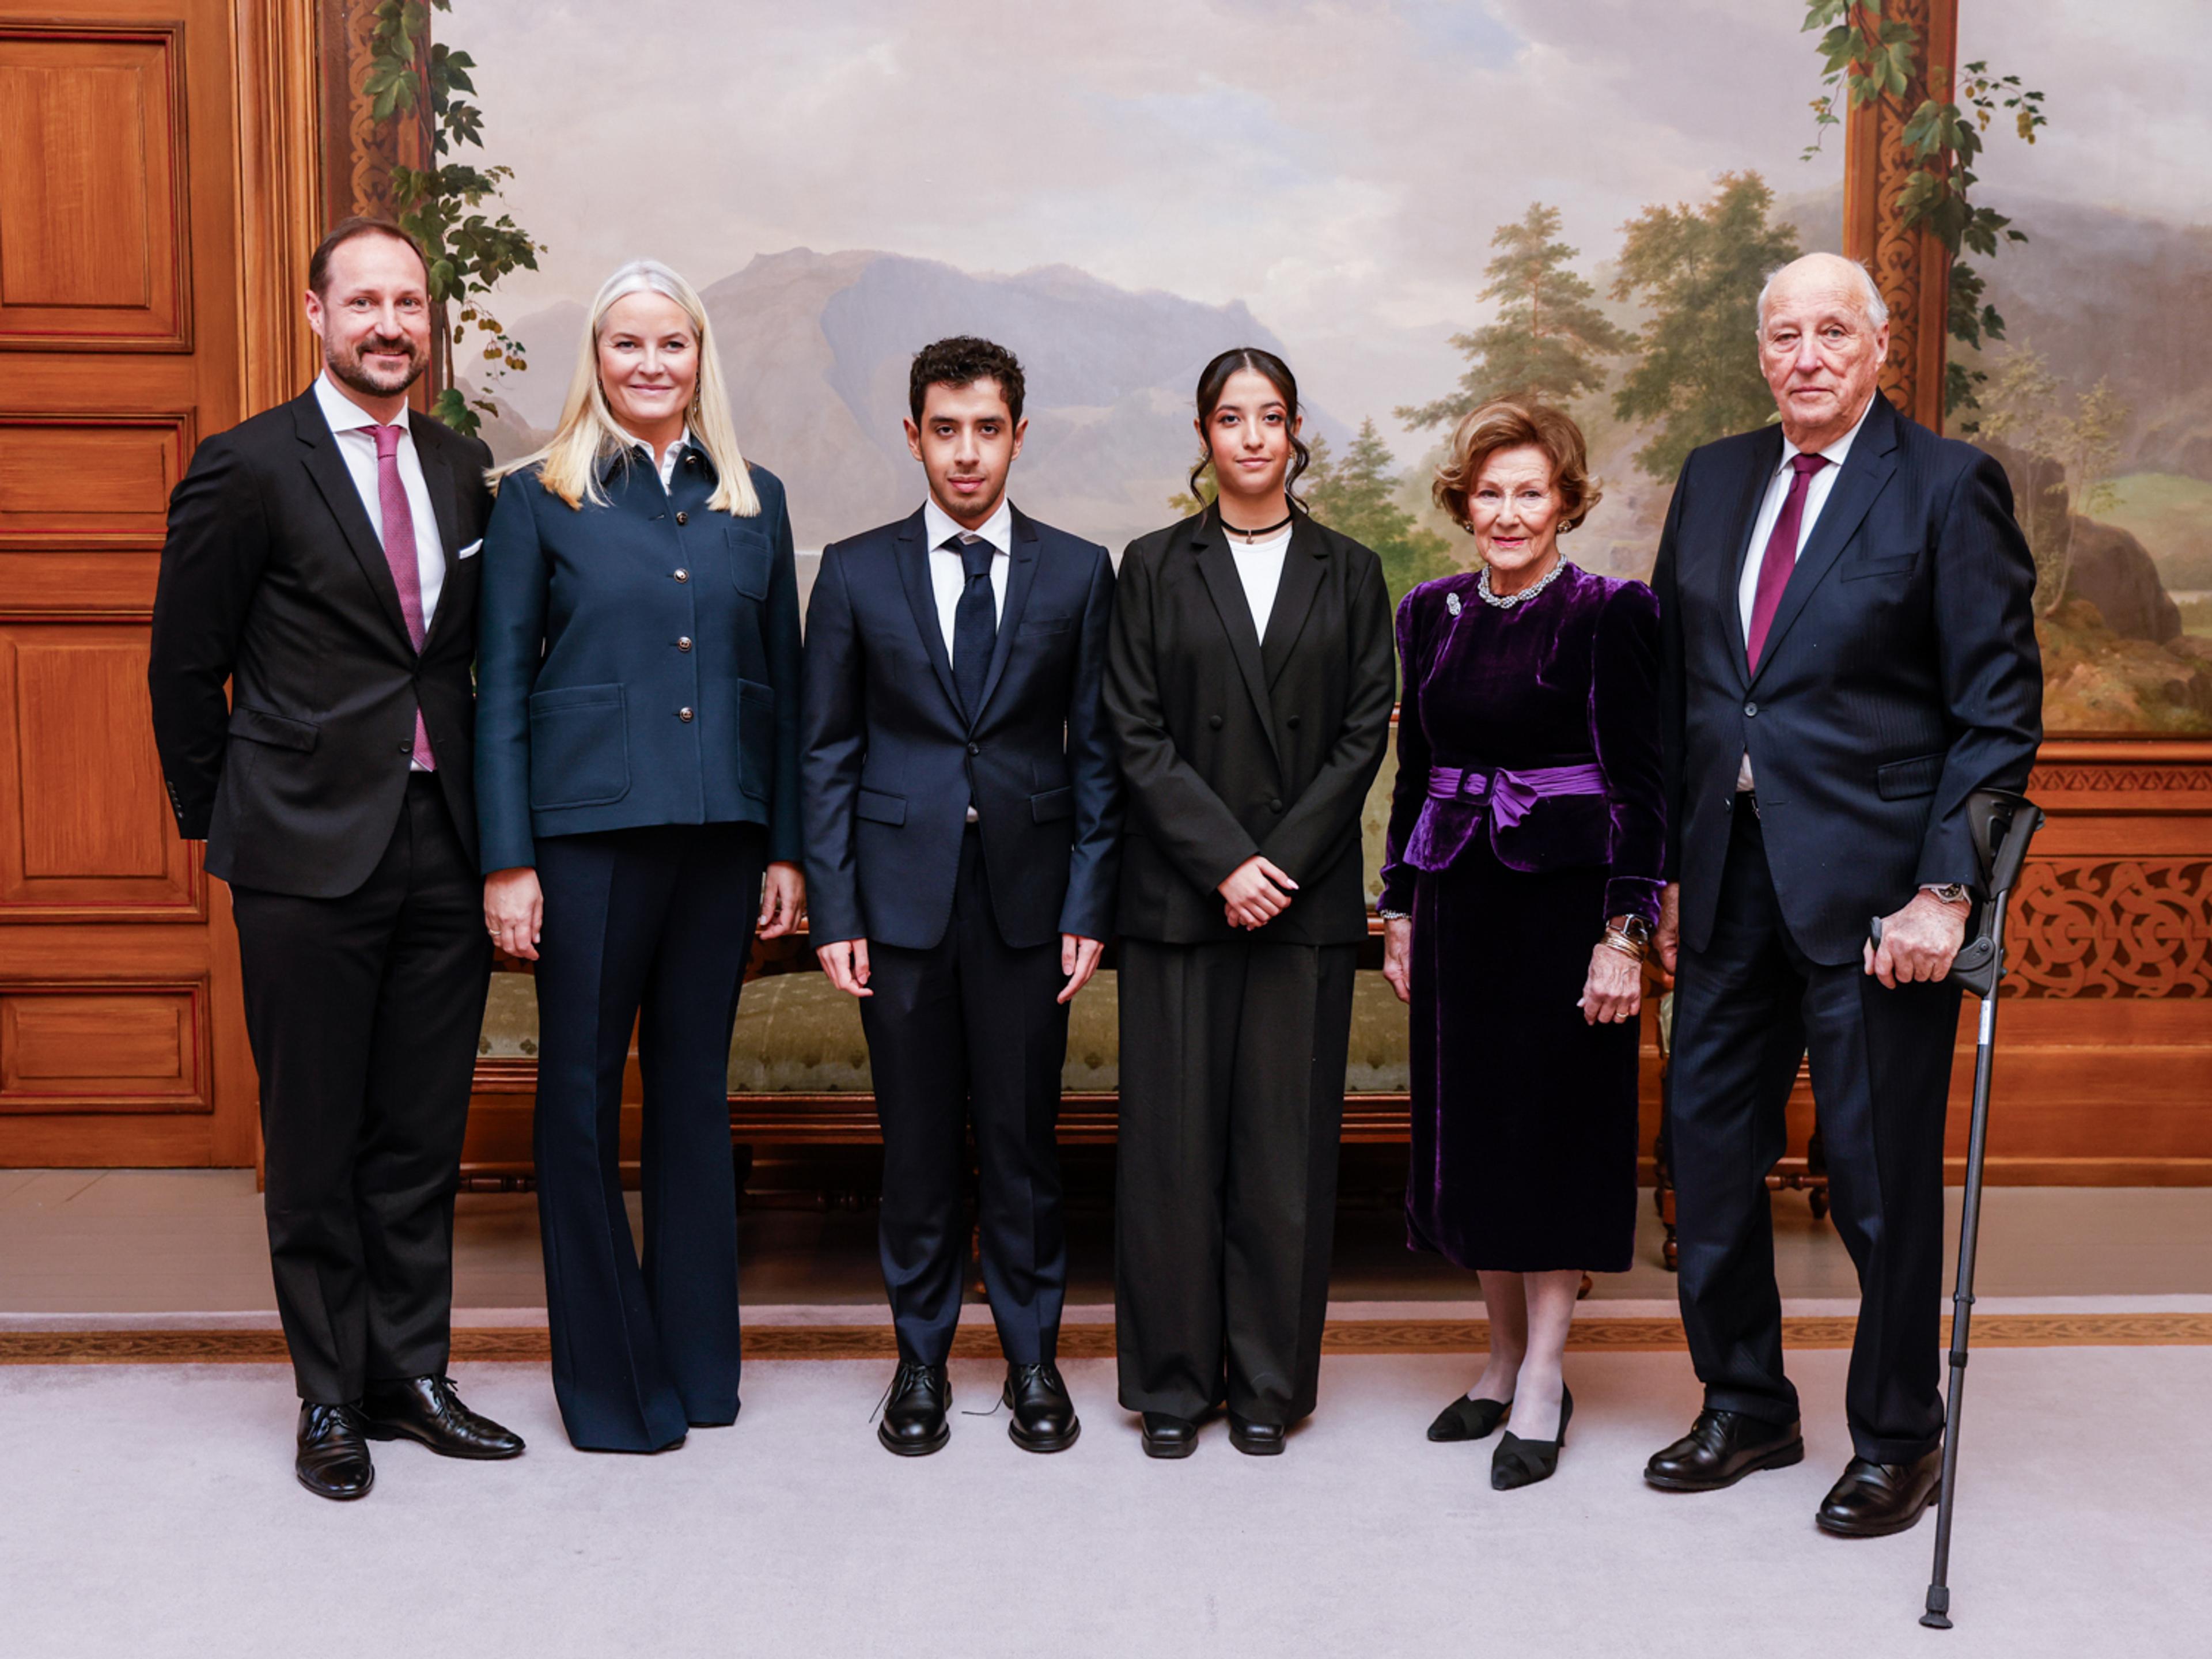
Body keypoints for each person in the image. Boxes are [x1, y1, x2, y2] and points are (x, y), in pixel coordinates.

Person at [1646, 253, 2041, 1534]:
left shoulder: (1946, 486)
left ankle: (1898, 1436)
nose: (1806, 356)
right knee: (1709, 1160)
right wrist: (1663, 871)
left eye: (1832, 331)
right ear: (1760, 353)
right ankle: (1747, 1404)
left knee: (1876, 1183)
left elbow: (1996, 713)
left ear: (1879, 345)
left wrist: (1947, 892)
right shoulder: (1714, 477)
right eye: (1784, 334)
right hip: (1725, 882)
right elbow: (1681, 690)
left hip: (1881, 902)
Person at [148, 217, 525, 1499]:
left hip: (443, 843)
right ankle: (327, 1395)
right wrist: (233, 822)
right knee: (314, 1137)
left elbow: (463, 660)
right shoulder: (247, 465)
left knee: (420, 1133)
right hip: (300, 854)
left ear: (431, 320)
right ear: (316, 314)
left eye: (409, 304)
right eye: (364, 303)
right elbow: (184, 668)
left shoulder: (463, 465)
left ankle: (410, 1374)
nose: (389, 326)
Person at [475, 260, 805, 1453]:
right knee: (576, 1102)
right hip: (584, 848)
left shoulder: (755, 499)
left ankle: (700, 1370)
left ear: (700, 357)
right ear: (598, 358)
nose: (651, 363)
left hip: (721, 844)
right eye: (628, 343)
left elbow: (783, 688)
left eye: (673, 343)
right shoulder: (537, 499)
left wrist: (787, 850)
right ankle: (613, 1386)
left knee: (693, 1102)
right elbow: (499, 687)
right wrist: (507, 861)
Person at [800, 336, 1120, 1457]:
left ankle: (1033, 1360)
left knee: (1025, 1143)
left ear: (1018, 436)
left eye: (988, 429)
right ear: (914, 437)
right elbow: (826, 753)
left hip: (1032, 904)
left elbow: (1099, 757)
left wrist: (1089, 903)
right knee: (920, 1147)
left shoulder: (1079, 572)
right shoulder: (854, 572)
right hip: (897, 905)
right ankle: (921, 1361)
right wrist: (836, 912)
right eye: (946, 430)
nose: (967, 452)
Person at [1105, 347, 1396, 1458]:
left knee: (1284, 1157)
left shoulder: (1351, 570)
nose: (1254, 437)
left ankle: (1270, 1384)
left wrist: (1277, 864)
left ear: (1295, 428)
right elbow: (1134, 730)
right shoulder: (1151, 565)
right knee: (1172, 1156)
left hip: (1302, 903)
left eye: (1271, 417)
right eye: (1232, 419)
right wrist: (1227, 863)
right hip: (1182, 901)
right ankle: (1174, 1386)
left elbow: (1363, 733)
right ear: (1203, 435)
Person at [1377, 399, 1662, 1490]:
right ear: (1465, 504)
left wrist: (1625, 932)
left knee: (1550, 1138)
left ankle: (1544, 1373)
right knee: (1476, 1141)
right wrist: (1400, 908)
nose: (1507, 513)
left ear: (1565, 503)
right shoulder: (1429, 612)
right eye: (1489, 493)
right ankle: (1497, 1357)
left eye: (1529, 492)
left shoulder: (1611, 612)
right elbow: (1413, 774)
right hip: (1458, 903)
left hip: (1565, 912)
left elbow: (1641, 789)